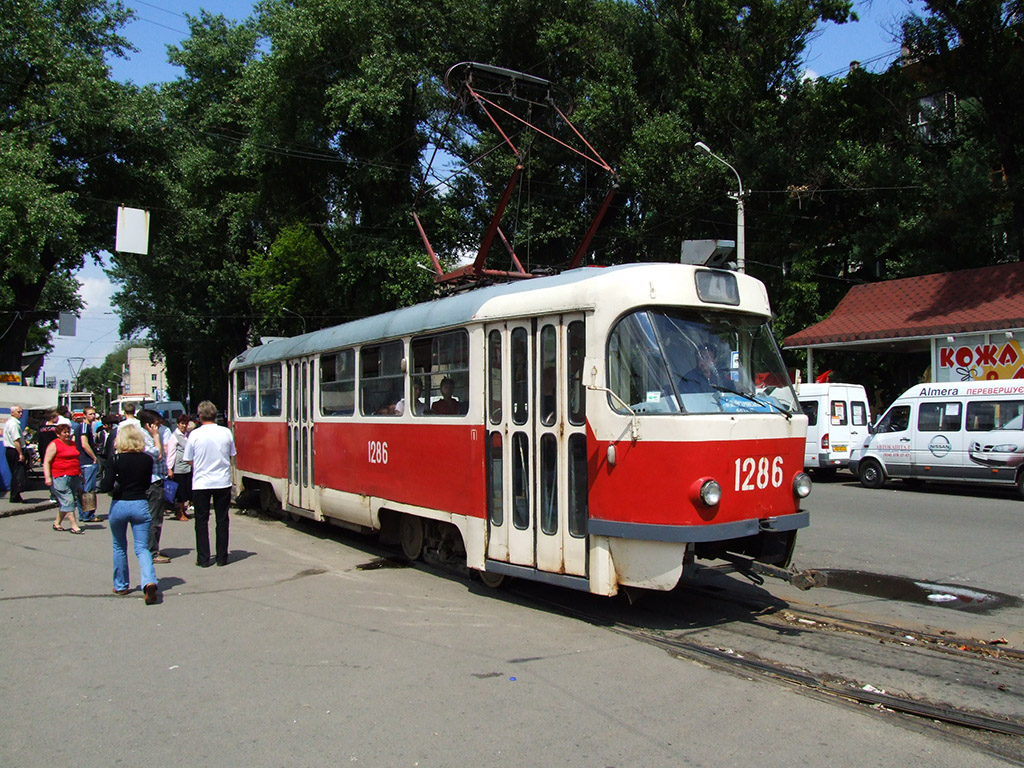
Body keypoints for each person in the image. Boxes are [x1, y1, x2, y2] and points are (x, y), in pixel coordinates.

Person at [100, 425, 159, 604]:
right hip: (140, 503)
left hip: (120, 504)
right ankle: (149, 581)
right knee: (142, 548)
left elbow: (106, 485)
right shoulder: (147, 460)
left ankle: (121, 585)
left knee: (119, 545)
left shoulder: (115, 459)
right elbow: (147, 483)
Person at [184, 401, 236, 567]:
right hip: (222, 481)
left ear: (199, 416)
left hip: (201, 482)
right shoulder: (226, 432)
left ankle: (203, 558)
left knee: (201, 521)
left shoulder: (194, 435)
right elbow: (231, 455)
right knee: (222, 520)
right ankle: (222, 557)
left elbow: (189, 459)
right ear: (215, 415)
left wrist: (200, 466)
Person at [139, 409, 175, 563]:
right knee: (154, 518)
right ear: (148, 425)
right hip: (153, 482)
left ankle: (152, 548)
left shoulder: (148, 435)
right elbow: (157, 454)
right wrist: (155, 437)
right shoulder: (145, 437)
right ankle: (152, 552)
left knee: (155, 517)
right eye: (156, 425)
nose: (159, 428)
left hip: (157, 479)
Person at [43, 423, 84, 533]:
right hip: (60, 475)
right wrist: (47, 477)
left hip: (74, 475)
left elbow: (76, 459)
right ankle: (74, 525)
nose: (67, 435)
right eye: (64, 432)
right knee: (68, 500)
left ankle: (57, 523)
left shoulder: (72, 444)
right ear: (58, 434)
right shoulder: (54, 444)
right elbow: (46, 461)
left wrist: (81, 475)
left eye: (68, 432)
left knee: (66, 502)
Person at [75, 406, 100, 522]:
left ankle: (84, 514)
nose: (93, 416)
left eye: (94, 414)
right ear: (84, 415)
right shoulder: (84, 427)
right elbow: (84, 444)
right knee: (88, 490)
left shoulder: (85, 427)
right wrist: (94, 457)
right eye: (90, 414)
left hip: (83, 461)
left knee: (83, 489)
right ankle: (87, 514)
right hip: (87, 462)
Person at [169, 413, 192, 521]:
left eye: (185, 424)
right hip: (178, 469)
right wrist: (169, 468)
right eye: (182, 423)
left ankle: (183, 510)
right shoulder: (174, 436)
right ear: (178, 424)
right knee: (180, 492)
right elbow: (171, 453)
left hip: (187, 468)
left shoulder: (187, 436)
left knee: (186, 491)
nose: (184, 426)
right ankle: (179, 512)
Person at [3, 405, 27, 503]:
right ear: (12, 413)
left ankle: (16, 495)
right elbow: (16, 440)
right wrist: (20, 453)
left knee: (16, 473)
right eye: (18, 412)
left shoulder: (11, 423)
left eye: (21, 412)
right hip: (14, 450)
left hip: (11, 450)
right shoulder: (13, 424)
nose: (21, 414)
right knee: (17, 473)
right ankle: (15, 495)